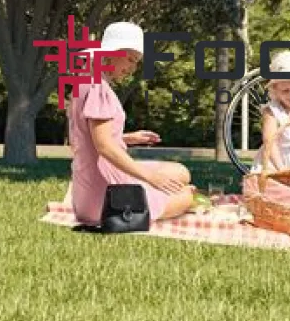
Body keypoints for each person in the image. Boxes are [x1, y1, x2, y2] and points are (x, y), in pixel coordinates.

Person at [68, 20, 195, 226]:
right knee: (187, 195)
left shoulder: (84, 81)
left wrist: (127, 138)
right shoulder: (98, 88)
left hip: (85, 196)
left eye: (136, 62)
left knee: (181, 172)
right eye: (131, 59)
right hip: (106, 203)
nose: (133, 68)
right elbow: (104, 147)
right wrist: (151, 178)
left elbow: (84, 139)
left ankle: (152, 188)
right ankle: (151, 191)